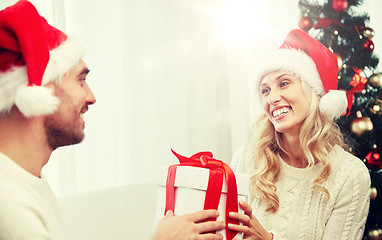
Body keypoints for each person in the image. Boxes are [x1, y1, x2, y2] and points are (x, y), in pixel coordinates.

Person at [0, 1, 224, 239]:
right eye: (81, 80)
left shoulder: (27, 181)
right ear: (38, 90)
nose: (91, 97)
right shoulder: (8, 202)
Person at [226, 29, 371, 240]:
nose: (272, 98)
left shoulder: (350, 175)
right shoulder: (246, 159)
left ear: (314, 91)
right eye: (265, 90)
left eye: (284, 83)